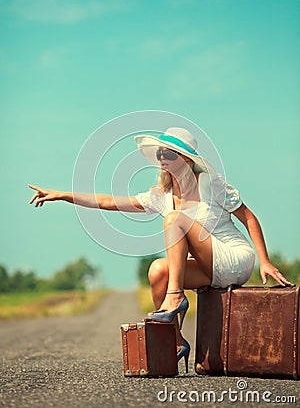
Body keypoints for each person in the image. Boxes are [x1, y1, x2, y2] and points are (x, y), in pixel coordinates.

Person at [28, 127, 292, 373]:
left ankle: (175, 297)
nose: (161, 158)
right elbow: (108, 201)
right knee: (157, 271)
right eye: (159, 153)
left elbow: (248, 217)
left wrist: (265, 261)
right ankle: (175, 342)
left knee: (173, 219)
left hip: (234, 257)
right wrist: (63, 195)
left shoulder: (210, 184)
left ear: (186, 160)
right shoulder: (161, 195)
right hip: (208, 266)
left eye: (168, 153)